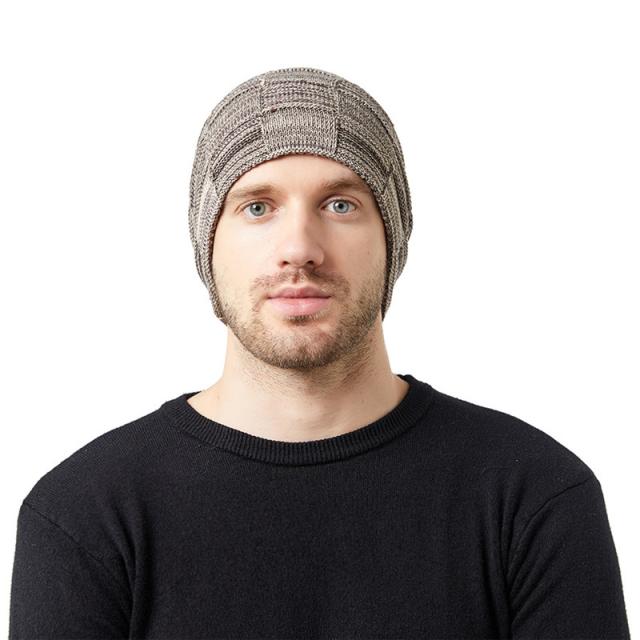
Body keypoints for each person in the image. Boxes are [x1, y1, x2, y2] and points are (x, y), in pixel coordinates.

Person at [9, 67, 630, 639]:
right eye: (257, 207)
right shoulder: (86, 513)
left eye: (340, 204)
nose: (299, 248)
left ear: (391, 239)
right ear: (208, 244)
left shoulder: (533, 496)